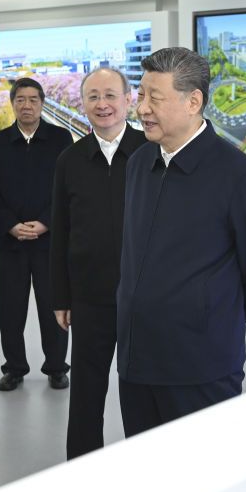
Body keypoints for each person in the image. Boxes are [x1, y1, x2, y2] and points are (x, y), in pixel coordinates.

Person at [117, 47, 246, 436]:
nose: (142, 109)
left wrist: (215, 314)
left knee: (201, 467)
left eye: (154, 98)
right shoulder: (139, 164)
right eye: (140, 96)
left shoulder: (239, 176)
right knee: (142, 465)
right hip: (137, 359)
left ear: (193, 102)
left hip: (200, 365)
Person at [50, 68, 145, 459]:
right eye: (92, 97)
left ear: (128, 100)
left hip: (143, 297)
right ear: (83, 103)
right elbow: (60, 230)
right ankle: (81, 466)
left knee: (141, 389)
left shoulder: (150, 152)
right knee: (87, 391)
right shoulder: (70, 160)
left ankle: (147, 463)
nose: (102, 104)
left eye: (110, 95)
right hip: (89, 297)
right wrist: (61, 297)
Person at [0, 77, 73, 392]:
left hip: (51, 241)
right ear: (12, 104)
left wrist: (47, 222)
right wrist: (10, 225)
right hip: (12, 242)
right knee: (10, 309)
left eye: (33, 99)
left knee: (53, 305)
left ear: (42, 103)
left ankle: (57, 367)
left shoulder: (60, 139)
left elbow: (67, 188)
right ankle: (14, 368)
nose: (27, 105)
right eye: (20, 99)